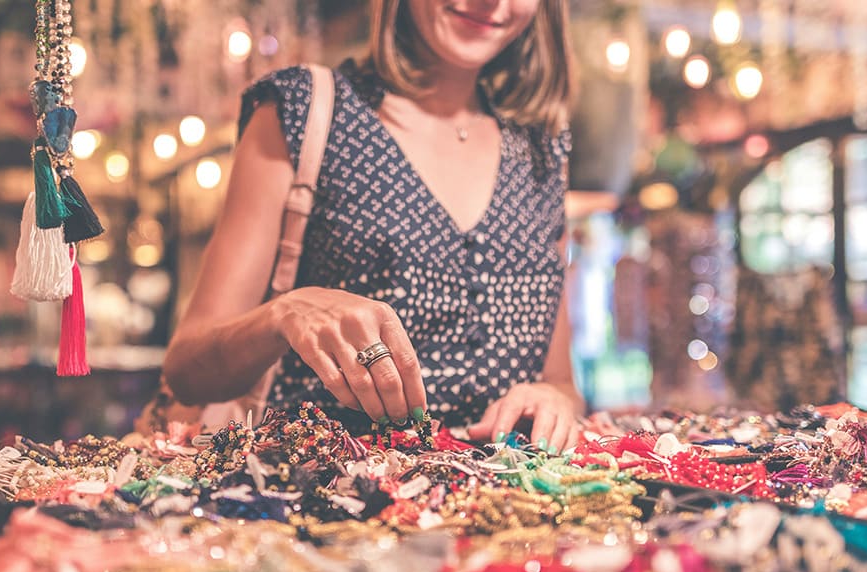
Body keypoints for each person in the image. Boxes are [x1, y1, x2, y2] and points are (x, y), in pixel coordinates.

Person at [164, 0, 583, 451]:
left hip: (509, 509)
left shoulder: (542, 146)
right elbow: (188, 371)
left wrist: (551, 399)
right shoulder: (306, 109)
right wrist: (284, 312)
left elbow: (561, 382)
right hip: (324, 499)